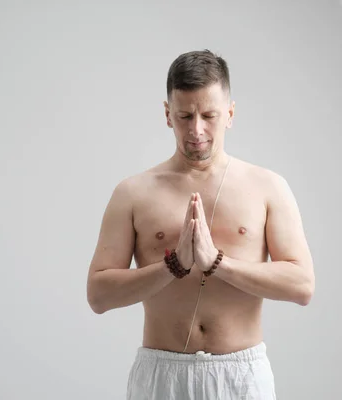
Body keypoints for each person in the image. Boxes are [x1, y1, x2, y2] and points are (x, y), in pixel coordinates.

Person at [86, 49, 315, 399]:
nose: (197, 130)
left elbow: (301, 285)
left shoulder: (267, 186)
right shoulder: (133, 192)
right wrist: (172, 266)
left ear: (230, 114)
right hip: (161, 375)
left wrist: (218, 263)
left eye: (209, 115)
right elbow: (99, 295)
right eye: (184, 116)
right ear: (167, 115)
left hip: (239, 375)